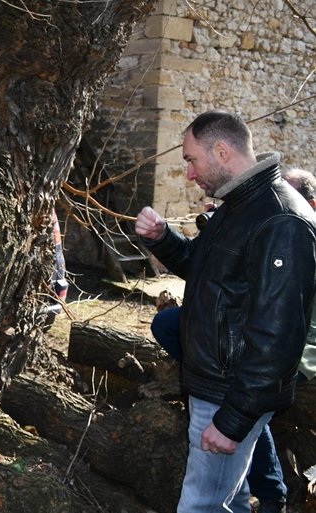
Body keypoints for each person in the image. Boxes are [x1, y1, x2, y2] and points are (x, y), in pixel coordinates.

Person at [135, 111, 316, 513]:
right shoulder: (239, 204)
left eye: (191, 160)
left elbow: (279, 336)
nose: (189, 173)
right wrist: (163, 238)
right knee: (227, 500)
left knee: (200, 506)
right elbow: (206, 270)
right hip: (217, 387)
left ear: (221, 151)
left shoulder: (281, 220)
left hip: (228, 393)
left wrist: (233, 418)